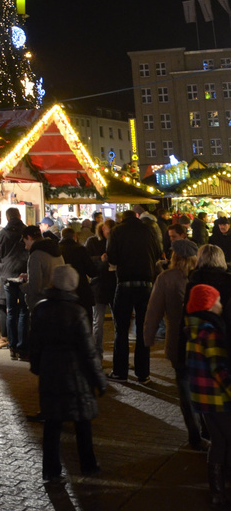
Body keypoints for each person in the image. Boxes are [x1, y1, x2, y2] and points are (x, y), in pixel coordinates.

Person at [30, 263, 106, 482]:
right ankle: (88, 465)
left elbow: (34, 343)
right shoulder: (77, 312)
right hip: (76, 374)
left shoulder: (40, 309)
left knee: (52, 424)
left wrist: (37, 366)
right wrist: (99, 379)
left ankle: (51, 470)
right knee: (82, 422)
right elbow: (88, 351)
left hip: (50, 372)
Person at [143, 238, 202, 448]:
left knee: (185, 388)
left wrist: (148, 338)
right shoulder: (200, 277)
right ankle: (207, 430)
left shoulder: (165, 278)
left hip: (177, 342)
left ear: (174, 256)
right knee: (203, 385)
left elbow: (154, 311)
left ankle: (195, 434)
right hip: (202, 342)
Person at [185, 283, 231, 506]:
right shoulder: (211, 331)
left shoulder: (193, 329)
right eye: (218, 301)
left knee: (218, 441)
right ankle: (221, 489)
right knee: (226, 440)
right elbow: (219, 368)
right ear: (209, 304)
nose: (221, 305)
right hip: (217, 398)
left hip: (201, 399)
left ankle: (216, 492)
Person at [106, 208, 162, 384]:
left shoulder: (117, 231)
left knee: (121, 330)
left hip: (125, 285)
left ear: (122, 219)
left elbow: (112, 258)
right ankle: (143, 373)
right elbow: (159, 253)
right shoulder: (149, 230)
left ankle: (120, 371)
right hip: (146, 285)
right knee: (143, 330)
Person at [0, 207, 28, 357]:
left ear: (7, 218)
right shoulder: (26, 231)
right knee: (23, 311)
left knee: (11, 311)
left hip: (7, 276)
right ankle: (22, 346)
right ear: (19, 216)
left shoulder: (1, 234)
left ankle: (12, 346)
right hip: (23, 274)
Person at [85, 219, 116, 356]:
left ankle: (118, 354)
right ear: (103, 229)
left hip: (114, 284)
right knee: (98, 321)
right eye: (108, 231)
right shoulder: (92, 241)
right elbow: (86, 260)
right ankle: (97, 353)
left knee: (117, 322)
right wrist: (100, 258)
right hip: (99, 284)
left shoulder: (116, 241)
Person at [21, 225, 63, 315]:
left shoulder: (36, 255)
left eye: (25, 242)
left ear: (29, 237)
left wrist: (20, 285)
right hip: (57, 301)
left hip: (40, 306)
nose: (26, 247)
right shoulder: (55, 250)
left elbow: (35, 287)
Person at [59, 227, 95, 327]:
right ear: (74, 236)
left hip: (63, 292)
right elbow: (92, 271)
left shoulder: (57, 249)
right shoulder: (80, 249)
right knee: (85, 324)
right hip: (81, 291)